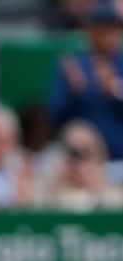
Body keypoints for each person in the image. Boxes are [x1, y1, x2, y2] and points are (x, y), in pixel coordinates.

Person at [48, 1, 123, 178]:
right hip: (83, 167)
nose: (104, 34)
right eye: (98, 27)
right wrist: (73, 92)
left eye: (110, 27)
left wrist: (115, 90)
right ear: (88, 30)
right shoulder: (71, 65)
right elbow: (55, 117)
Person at [42, 119, 123, 210]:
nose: (78, 161)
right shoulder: (47, 185)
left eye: (86, 152)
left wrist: (97, 188)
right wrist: (55, 186)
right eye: (72, 152)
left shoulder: (115, 192)